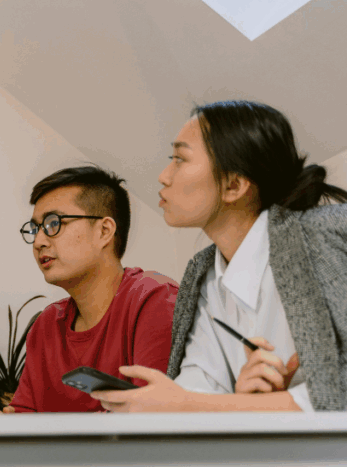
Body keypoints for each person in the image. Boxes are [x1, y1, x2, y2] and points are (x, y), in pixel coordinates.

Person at [93, 100, 347, 412]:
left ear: (234, 185)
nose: (163, 175)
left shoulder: (322, 235)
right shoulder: (203, 274)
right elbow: (200, 386)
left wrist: (189, 405)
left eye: (179, 159)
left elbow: (335, 398)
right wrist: (235, 402)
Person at [0, 166, 178, 413]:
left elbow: (149, 422)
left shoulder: (154, 299)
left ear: (104, 231)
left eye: (53, 223)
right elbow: (25, 417)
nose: (39, 242)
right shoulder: (47, 325)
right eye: (35, 229)